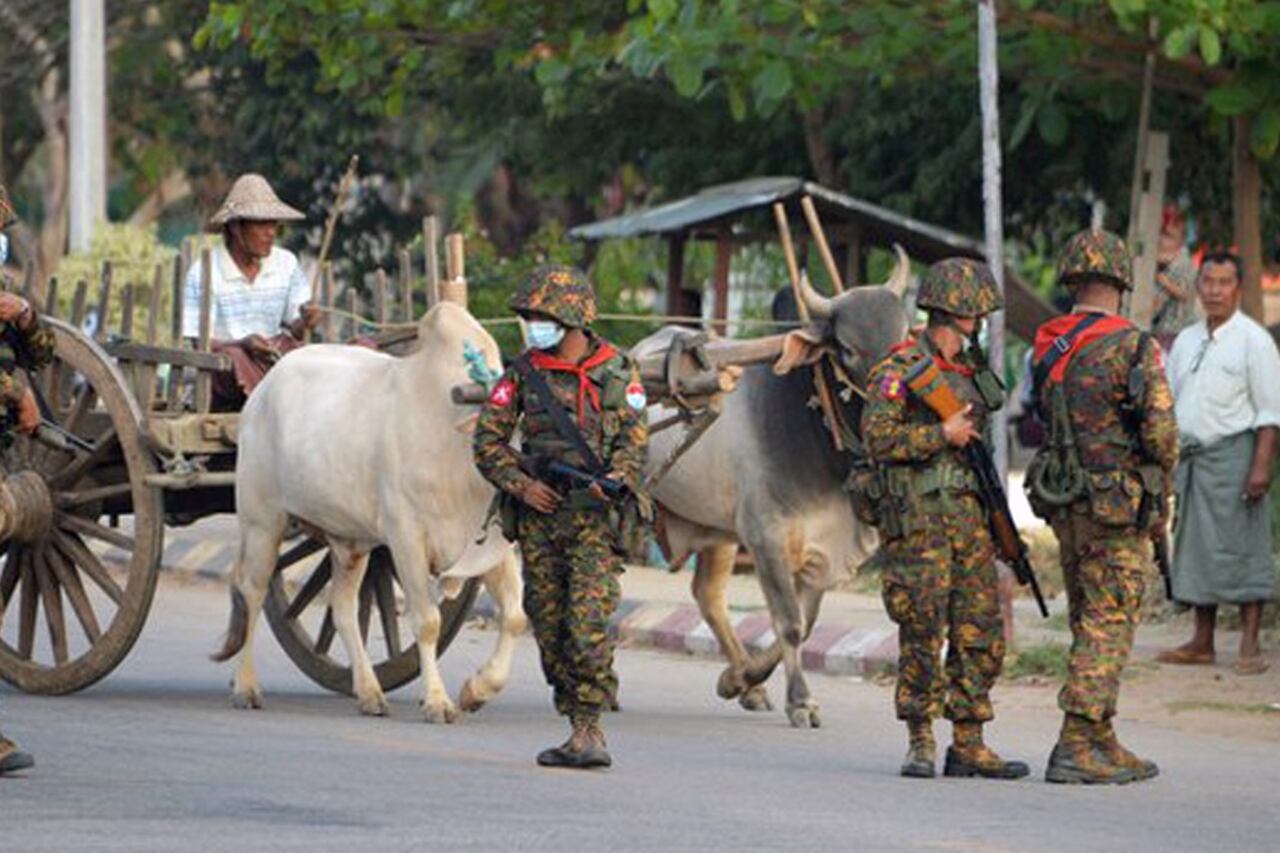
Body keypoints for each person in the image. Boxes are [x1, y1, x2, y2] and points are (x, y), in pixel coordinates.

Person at [472, 265, 647, 769]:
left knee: (587, 625)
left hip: (595, 523)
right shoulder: (524, 374)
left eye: (540, 316)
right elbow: (487, 441)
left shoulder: (618, 372)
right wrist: (522, 486)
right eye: (529, 317)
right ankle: (574, 720)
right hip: (541, 522)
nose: (532, 325)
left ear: (571, 318)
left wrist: (612, 477)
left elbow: (635, 444)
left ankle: (589, 727)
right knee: (549, 627)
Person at [862, 257, 1029, 781]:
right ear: (959, 312)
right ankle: (920, 739)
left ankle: (969, 741)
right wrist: (941, 435)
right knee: (921, 630)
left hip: (970, 525)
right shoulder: (899, 370)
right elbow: (878, 439)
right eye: (976, 313)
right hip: (919, 528)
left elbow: (991, 416)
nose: (980, 322)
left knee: (980, 631)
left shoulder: (968, 375)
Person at [1025, 229, 1178, 784]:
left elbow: (1033, 411)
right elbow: (1161, 433)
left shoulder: (1046, 344)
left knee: (1088, 618)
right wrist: (1161, 482)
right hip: (1116, 507)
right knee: (1110, 622)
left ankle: (1101, 738)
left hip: (1064, 502)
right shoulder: (1134, 345)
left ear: (1071, 279)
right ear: (1119, 281)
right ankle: (1075, 743)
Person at [1156, 252, 1280, 675]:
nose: (1214, 290)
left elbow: (1269, 413)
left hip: (1237, 456)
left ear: (1238, 289)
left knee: (1244, 546)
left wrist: (1261, 466)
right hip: (1192, 457)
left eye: (1224, 282)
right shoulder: (1187, 340)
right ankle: (1201, 641)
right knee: (1195, 549)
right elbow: (1169, 403)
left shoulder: (1254, 340)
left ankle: (1249, 643)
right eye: (1208, 281)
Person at [0, 182, 57, 777]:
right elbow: (21, 382)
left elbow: (43, 355)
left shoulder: (7, 297)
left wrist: (26, 315)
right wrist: (14, 393)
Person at [184, 173, 321, 409]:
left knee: (314, 356)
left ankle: (287, 400)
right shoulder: (204, 271)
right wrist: (242, 344)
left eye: (274, 223)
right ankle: (271, 406)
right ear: (237, 228)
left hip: (273, 357)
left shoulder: (286, 263)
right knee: (235, 359)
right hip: (227, 370)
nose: (272, 232)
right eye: (262, 223)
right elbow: (198, 341)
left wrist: (307, 320)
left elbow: (296, 330)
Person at [1150, 204, 1199, 351]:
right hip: (1167, 329)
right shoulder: (1166, 261)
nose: (1161, 240)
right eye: (1161, 234)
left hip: (1175, 330)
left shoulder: (1181, 263)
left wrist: (1162, 281)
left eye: (1168, 236)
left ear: (1181, 239)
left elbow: (1185, 294)